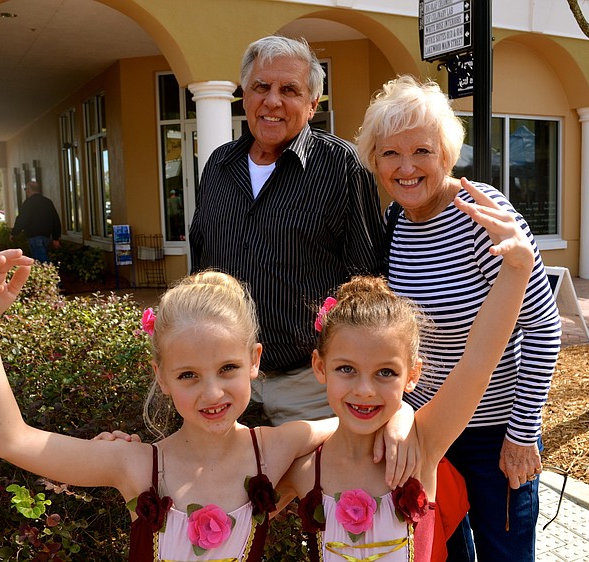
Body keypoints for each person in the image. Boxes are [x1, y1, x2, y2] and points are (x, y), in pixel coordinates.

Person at [0, 252, 417, 562]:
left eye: (226, 369)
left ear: (254, 361)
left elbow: (352, 417)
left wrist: (402, 415)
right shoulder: (137, 466)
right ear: (161, 375)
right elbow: (8, 439)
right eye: (188, 376)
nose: (212, 394)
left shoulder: (277, 448)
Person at [355, 75, 562, 561]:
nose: (406, 168)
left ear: (446, 153)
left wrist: (522, 433)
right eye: (390, 154)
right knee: (441, 551)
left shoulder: (483, 215)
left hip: (494, 435)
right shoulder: (394, 224)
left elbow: (543, 327)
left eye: (421, 151)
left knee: (502, 554)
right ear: (375, 160)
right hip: (427, 431)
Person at [279, 183, 535, 561]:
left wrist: (516, 268)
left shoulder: (424, 447)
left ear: (413, 375)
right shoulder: (303, 470)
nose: (365, 390)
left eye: (385, 373)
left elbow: (478, 363)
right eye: (346, 369)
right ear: (320, 366)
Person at [188, 35, 385, 426]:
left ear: (312, 105)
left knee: (313, 487)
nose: (272, 101)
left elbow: (366, 282)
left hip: (308, 387)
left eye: (290, 90)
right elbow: (202, 267)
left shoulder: (342, 167)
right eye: (261, 86)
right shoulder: (218, 166)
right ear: (244, 95)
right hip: (227, 382)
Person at [11, 180, 62, 263]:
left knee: (41, 262)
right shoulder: (47, 202)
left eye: (26, 189)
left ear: (28, 190)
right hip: (46, 236)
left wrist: (14, 232)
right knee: (42, 258)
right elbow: (55, 220)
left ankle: (48, 274)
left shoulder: (28, 203)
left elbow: (22, 219)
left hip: (34, 236)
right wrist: (55, 238)